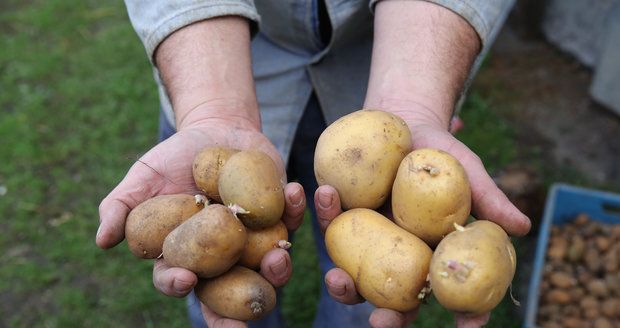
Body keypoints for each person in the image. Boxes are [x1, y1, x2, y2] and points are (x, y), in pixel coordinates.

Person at [95, 1, 531, 327]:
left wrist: (414, 103)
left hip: (392, 53)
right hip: (223, 54)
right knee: (225, 289)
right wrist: (213, 109)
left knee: (358, 306)